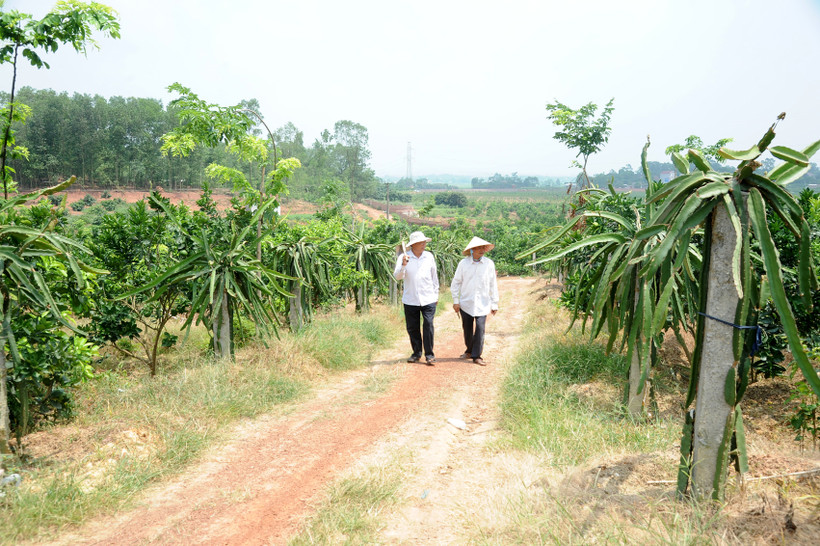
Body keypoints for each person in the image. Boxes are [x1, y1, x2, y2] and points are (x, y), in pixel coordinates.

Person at [450, 236, 499, 366]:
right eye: (478, 248)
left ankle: (477, 356)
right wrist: (456, 301)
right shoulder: (463, 264)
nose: (481, 250)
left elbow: (493, 284)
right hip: (466, 302)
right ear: (472, 250)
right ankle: (469, 350)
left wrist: (494, 303)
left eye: (483, 247)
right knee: (467, 328)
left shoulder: (489, 264)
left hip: (483, 303)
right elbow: (456, 283)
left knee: (480, 328)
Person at [393, 231, 439, 365]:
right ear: (413, 244)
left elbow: (434, 276)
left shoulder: (429, 257)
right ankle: (416, 353)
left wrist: (436, 295)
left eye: (425, 242)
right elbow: (397, 277)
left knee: (428, 325)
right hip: (410, 299)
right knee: (413, 327)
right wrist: (403, 265)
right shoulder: (404, 257)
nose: (424, 244)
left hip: (428, 297)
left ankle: (429, 355)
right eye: (421, 242)